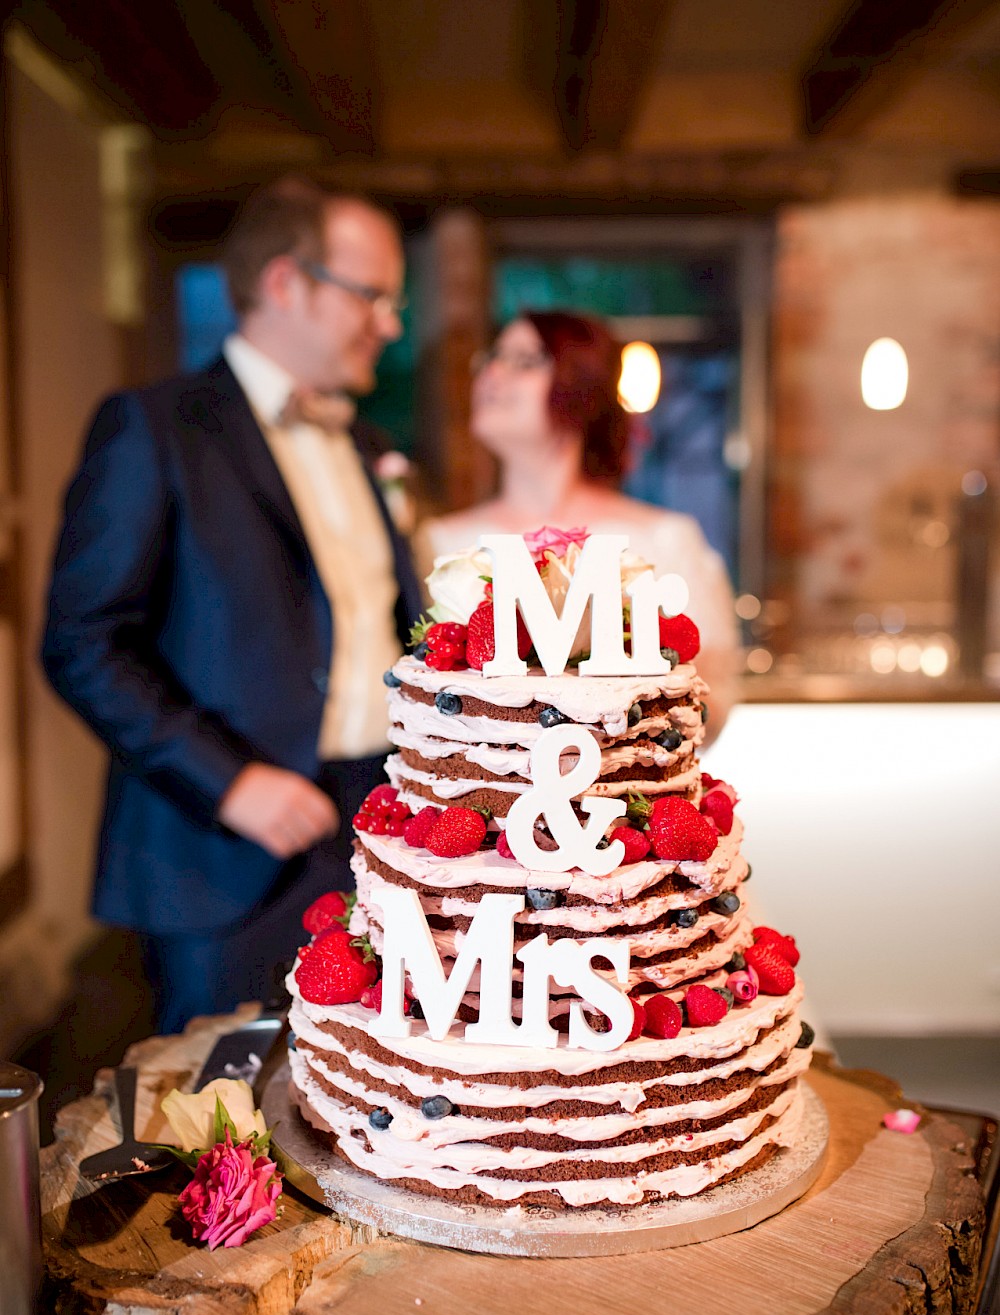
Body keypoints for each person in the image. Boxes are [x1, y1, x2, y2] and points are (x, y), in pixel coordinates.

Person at [42, 178, 422, 1033]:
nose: (390, 324)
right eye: (373, 296)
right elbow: (82, 641)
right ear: (287, 282)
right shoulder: (154, 426)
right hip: (226, 850)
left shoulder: (365, 443)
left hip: (378, 831)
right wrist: (231, 781)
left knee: (366, 1122)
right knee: (224, 1131)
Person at [418, 310, 739, 738]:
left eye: (524, 360)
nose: (492, 374)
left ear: (582, 385)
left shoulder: (666, 539)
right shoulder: (440, 542)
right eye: (491, 358)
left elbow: (711, 706)